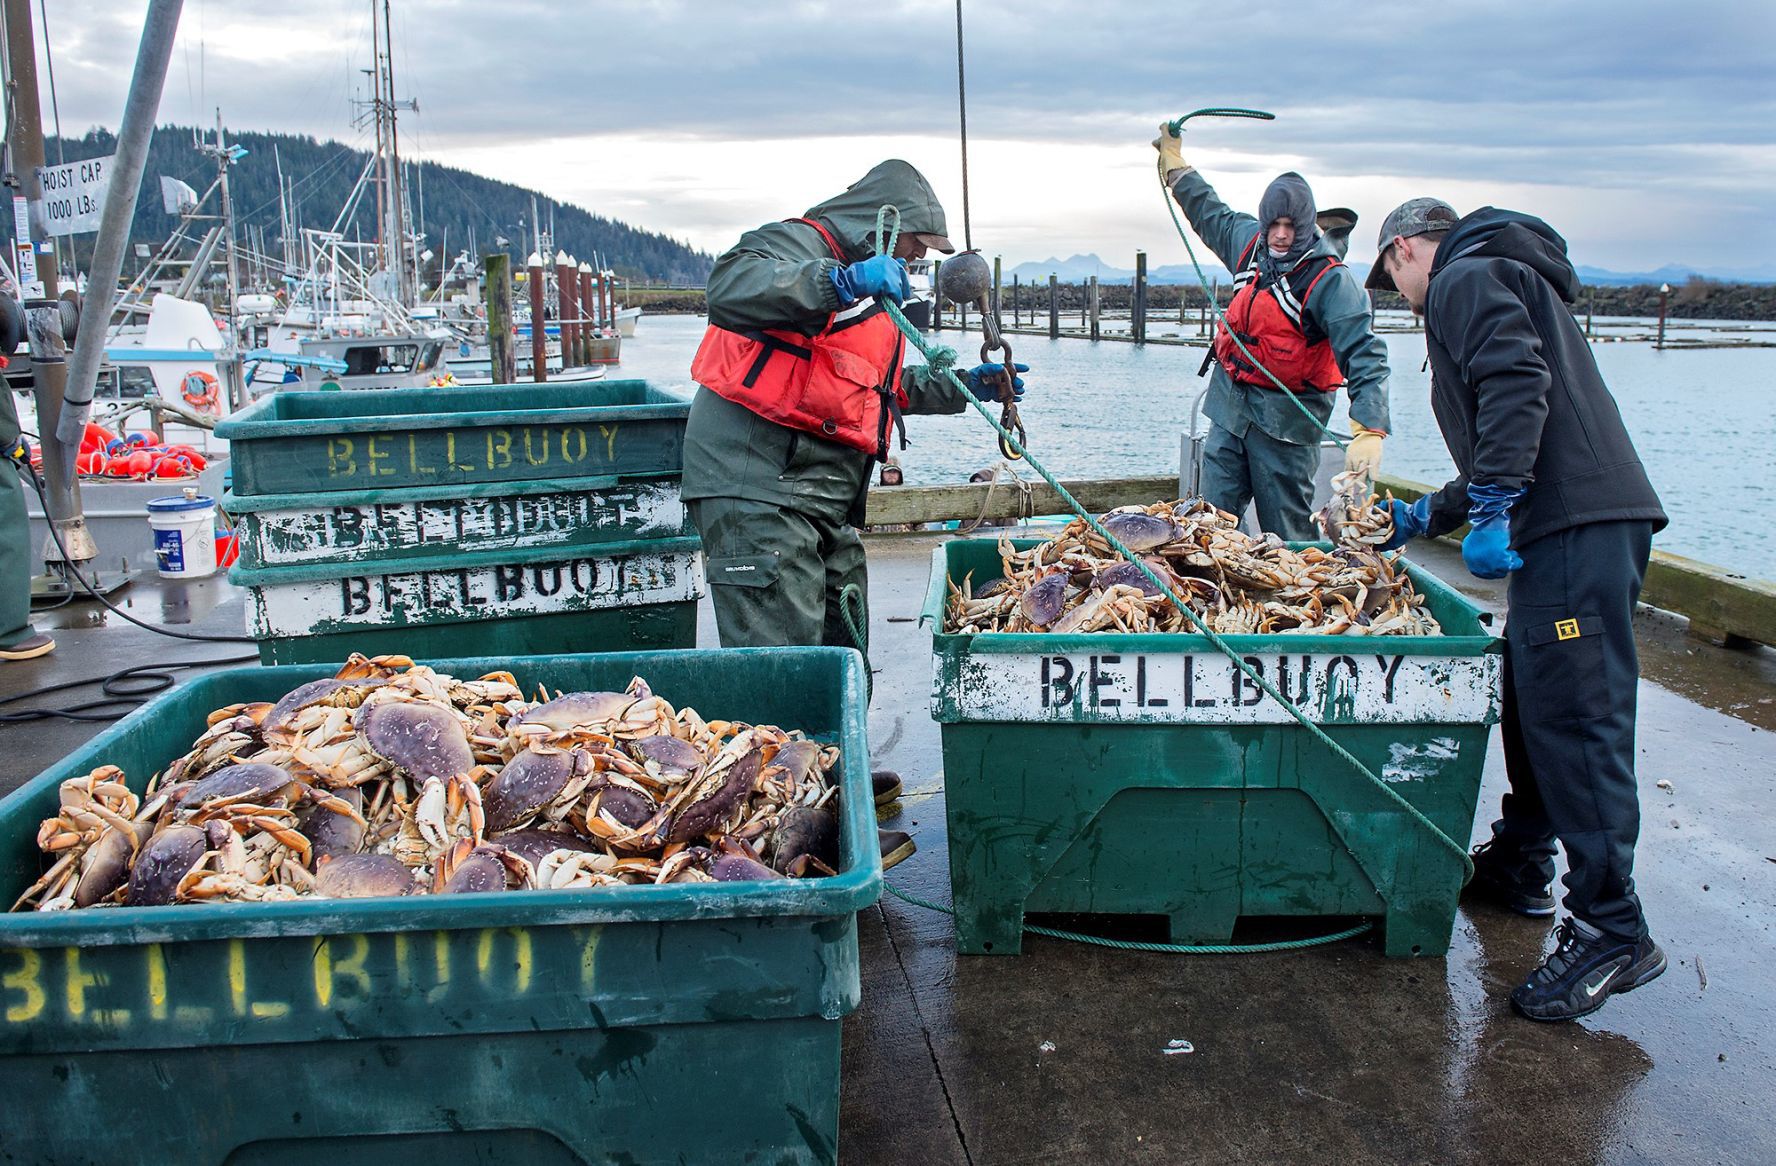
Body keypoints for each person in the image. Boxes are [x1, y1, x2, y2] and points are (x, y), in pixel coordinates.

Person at [1368, 197, 1668, 1022]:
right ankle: (1520, 863)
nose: (1400, 297)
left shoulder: (1463, 276)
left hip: (1574, 527)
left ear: (1404, 252)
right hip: (1574, 523)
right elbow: (1518, 421)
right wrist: (1431, 514)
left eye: (1392, 280)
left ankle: (1613, 928)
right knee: (1533, 695)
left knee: (1577, 714)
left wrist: (1496, 500)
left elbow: (1514, 387)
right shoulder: (1502, 271)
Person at [682, 159, 1029, 869]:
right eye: (912, 246)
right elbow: (727, 289)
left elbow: (882, 384)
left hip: (824, 499)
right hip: (757, 488)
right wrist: (834, 282)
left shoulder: (875, 304)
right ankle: (785, 842)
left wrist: (965, 385)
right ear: (882, 223)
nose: (915, 261)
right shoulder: (791, 250)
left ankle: (828, 782)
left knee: (842, 644)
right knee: (781, 664)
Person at [1153, 126, 1391, 539]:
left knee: (1286, 530)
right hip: (1230, 408)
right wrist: (1176, 167)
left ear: (1307, 227)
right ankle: (1215, 599)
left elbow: (1365, 353)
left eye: (1291, 226)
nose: (1281, 234)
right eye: (1274, 224)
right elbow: (1210, 211)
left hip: (1286, 426)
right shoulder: (1249, 245)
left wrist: (1369, 427)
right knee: (1209, 523)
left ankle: (1298, 599)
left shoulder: (1332, 283)